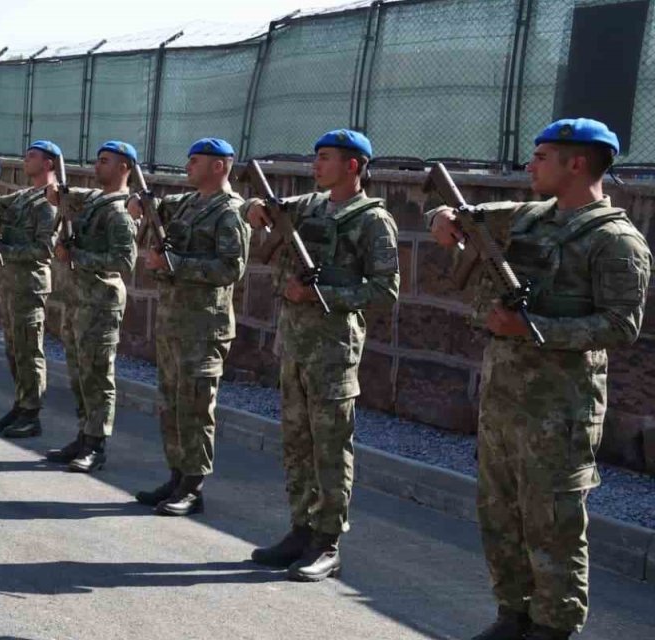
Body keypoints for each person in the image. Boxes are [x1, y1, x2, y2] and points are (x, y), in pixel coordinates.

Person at [428, 119, 650, 640]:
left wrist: (534, 327)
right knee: (499, 514)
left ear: (577, 163)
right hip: (503, 397)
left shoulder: (616, 240)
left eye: (542, 156)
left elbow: (622, 327)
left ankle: (554, 628)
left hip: (560, 409)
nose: (530, 165)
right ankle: (513, 615)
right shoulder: (529, 216)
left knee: (553, 524)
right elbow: (465, 216)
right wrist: (444, 216)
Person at [244, 130, 399, 582]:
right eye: (315, 157)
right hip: (293, 345)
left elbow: (385, 292)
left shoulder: (372, 220)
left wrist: (320, 294)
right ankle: (300, 528)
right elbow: (257, 213)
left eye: (326, 158)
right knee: (296, 442)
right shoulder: (308, 206)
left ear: (353, 166)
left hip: (333, 350)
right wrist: (254, 210)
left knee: (330, 447)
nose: (316, 165)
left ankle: (327, 541)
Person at [127, 138, 251, 515]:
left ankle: (193, 487)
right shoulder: (188, 202)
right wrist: (138, 203)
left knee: (196, 407)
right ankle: (176, 475)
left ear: (220, 166)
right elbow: (157, 206)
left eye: (196, 161)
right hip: (173, 321)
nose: (188, 166)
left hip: (203, 326)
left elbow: (231, 269)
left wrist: (175, 265)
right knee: (171, 404)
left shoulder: (230, 212)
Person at [44, 141, 137, 472]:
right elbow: (58, 195)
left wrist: (77, 257)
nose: (97, 167)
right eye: (98, 160)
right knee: (78, 372)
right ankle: (83, 434)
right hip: (77, 299)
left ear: (125, 167)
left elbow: (124, 263)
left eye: (105, 161)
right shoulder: (95, 199)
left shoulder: (122, 211)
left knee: (97, 374)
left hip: (101, 302)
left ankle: (97, 445)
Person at [0, 141, 59, 438]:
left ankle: (32, 413)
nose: (26, 160)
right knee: (14, 350)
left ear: (49, 163)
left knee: (29, 350)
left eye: (32, 156)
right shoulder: (25, 196)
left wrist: (7, 249)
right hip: (11, 283)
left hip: (29, 286)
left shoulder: (50, 201)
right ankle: (21, 404)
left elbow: (45, 249)